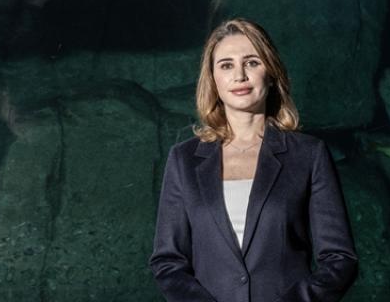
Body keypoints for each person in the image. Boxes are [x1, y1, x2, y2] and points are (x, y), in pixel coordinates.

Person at [149, 18, 358, 302]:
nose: (239, 76)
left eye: (252, 62)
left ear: (270, 73)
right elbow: (167, 262)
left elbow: (339, 258)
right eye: (226, 65)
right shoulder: (183, 159)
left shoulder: (309, 154)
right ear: (212, 79)